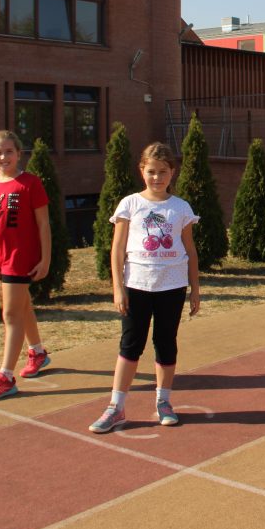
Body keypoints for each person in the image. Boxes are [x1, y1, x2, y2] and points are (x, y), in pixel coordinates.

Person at [89, 142, 200, 433]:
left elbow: (190, 249)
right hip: (136, 286)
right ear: (142, 171)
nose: (157, 177)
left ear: (172, 172)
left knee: (165, 342)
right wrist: (118, 287)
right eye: (151, 171)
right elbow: (117, 249)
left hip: (172, 287)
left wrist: (195, 289)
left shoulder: (181, 208)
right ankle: (116, 407)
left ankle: (164, 402)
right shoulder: (130, 204)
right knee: (131, 344)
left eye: (163, 172)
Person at [0, 130, 52, 402]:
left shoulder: (30, 183)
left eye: (9, 151)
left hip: (20, 257)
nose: (3, 157)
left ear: (19, 154)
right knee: (22, 306)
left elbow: (43, 224)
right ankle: (37, 352)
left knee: (10, 314)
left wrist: (45, 258)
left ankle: (5, 377)